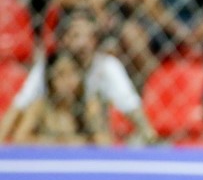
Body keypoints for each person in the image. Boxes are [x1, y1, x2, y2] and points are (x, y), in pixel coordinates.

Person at [0, 8, 154, 145]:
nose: (82, 43)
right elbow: (20, 104)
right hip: (51, 132)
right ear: (64, 39)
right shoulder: (48, 67)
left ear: (96, 39)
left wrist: (148, 134)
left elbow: (129, 104)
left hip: (86, 134)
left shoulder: (106, 67)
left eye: (89, 36)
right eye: (75, 35)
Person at [7, 51, 110, 145]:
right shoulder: (41, 106)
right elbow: (20, 138)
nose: (68, 81)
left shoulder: (89, 105)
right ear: (51, 81)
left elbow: (104, 141)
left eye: (73, 73)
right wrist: (56, 143)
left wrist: (76, 142)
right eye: (61, 75)